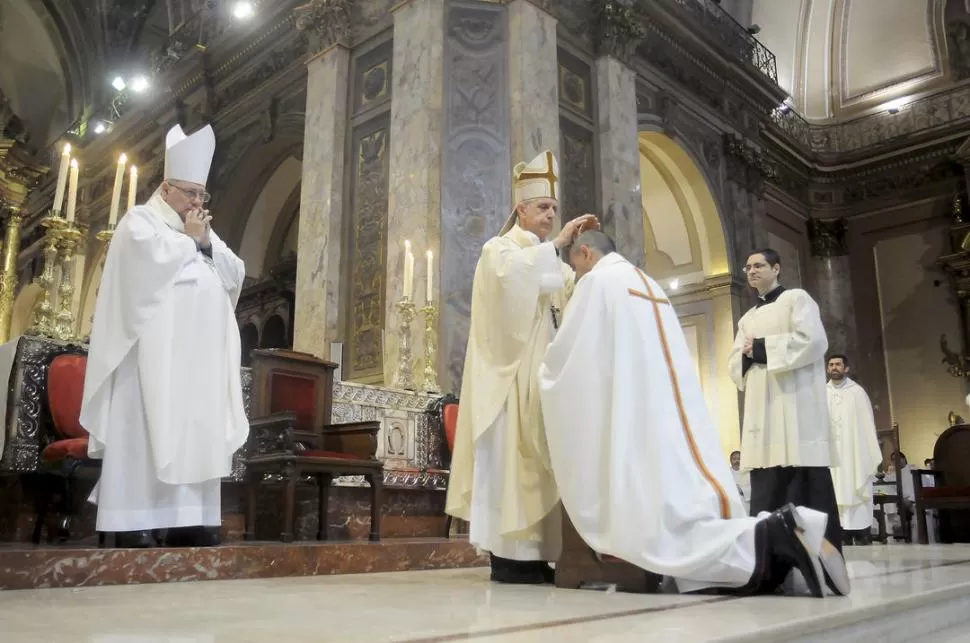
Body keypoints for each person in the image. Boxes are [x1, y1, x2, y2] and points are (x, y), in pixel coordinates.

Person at [538, 232, 848, 597]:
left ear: (586, 253)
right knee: (687, 507)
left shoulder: (597, 284)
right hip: (672, 420)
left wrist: (541, 372)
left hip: (631, 420)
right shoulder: (648, 284)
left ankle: (769, 534)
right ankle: (779, 547)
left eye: (575, 265)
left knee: (666, 530)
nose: (576, 273)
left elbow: (571, 360)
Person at [80, 124, 249, 548]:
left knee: (196, 431)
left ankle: (188, 519)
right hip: (151, 358)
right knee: (143, 431)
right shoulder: (140, 222)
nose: (197, 203)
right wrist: (190, 243)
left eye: (201, 195)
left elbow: (235, 272)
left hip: (199, 360)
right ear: (166, 187)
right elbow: (145, 269)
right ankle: (130, 519)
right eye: (190, 193)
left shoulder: (200, 232)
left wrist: (205, 243)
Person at [445, 149, 598, 584]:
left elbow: (567, 297)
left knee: (542, 466)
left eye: (553, 208)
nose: (550, 214)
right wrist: (558, 247)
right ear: (520, 209)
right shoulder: (499, 250)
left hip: (542, 375)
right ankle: (511, 558)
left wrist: (592, 270)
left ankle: (539, 555)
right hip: (508, 378)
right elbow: (511, 286)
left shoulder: (547, 256)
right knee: (513, 463)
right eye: (542, 207)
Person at [728, 249, 843, 557]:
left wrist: (762, 348)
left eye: (759, 265)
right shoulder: (747, 319)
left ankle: (819, 560)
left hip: (795, 412)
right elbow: (734, 363)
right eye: (748, 266)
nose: (751, 271)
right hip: (762, 415)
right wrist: (747, 355)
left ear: (776, 268)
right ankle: (769, 562)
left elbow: (814, 341)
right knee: (767, 487)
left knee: (802, 483)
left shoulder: (797, 300)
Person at [825, 354, 881, 545]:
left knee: (855, 482)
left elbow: (867, 425)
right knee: (835, 487)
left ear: (846, 368)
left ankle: (862, 531)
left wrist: (868, 451)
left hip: (854, 450)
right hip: (832, 452)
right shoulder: (822, 393)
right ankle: (841, 531)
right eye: (831, 364)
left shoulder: (857, 393)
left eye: (838, 364)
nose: (834, 368)